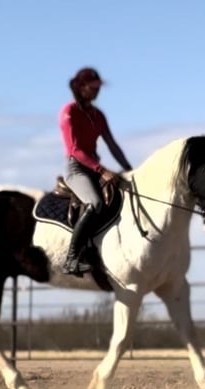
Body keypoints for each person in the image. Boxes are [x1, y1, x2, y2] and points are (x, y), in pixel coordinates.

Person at [58, 67, 133, 276]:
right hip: (78, 168)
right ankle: (71, 259)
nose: (96, 92)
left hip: (95, 167)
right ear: (81, 87)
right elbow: (74, 149)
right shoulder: (69, 112)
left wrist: (128, 168)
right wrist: (101, 170)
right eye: (93, 88)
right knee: (95, 203)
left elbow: (112, 144)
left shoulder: (98, 115)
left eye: (98, 88)